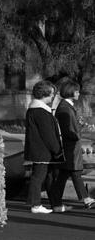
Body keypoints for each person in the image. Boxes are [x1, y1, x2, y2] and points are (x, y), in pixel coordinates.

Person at [49, 80, 95, 210]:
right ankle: (86, 199)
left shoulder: (66, 106)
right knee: (74, 172)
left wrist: (79, 126)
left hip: (69, 146)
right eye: (76, 91)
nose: (78, 93)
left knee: (65, 174)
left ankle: (58, 203)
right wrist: (77, 134)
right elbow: (69, 129)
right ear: (70, 92)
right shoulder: (65, 108)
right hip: (70, 146)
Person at [24, 80, 64, 214]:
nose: (53, 96)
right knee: (39, 177)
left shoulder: (35, 109)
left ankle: (55, 204)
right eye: (52, 94)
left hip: (40, 149)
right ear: (44, 94)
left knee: (48, 177)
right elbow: (48, 134)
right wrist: (57, 150)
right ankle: (35, 205)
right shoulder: (40, 111)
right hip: (42, 150)